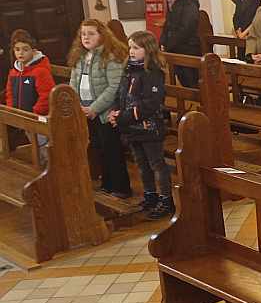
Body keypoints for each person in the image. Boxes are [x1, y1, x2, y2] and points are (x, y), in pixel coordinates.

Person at [109, 31, 173, 219]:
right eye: (130, 47)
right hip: (131, 128)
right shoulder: (128, 69)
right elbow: (120, 94)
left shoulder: (153, 73)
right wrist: (115, 110)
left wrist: (124, 117)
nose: (131, 51)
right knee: (142, 165)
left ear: (149, 49)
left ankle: (166, 199)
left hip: (148, 127)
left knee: (156, 164)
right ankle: (150, 195)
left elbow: (150, 104)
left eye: (136, 48)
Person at [69, 19, 131, 198]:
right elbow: (73, 82)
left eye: (91, 33)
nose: (86, 37)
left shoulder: (110, 56)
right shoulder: (80, 57)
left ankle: (120, 187)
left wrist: (94, 108)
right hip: (85, 110)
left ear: (102, 36)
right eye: (83, 34)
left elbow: (114, 87)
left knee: (112, 149)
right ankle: (107, 183)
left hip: (105, 112)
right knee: (98, 148)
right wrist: (77, 105)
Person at [5, 30, 54, 165]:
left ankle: (51, 168)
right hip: (23, 116)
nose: (20, 53)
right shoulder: (14, 72)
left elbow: (47, 95)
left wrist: (34, 112)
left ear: (33, 50)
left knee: (43, 143)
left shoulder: (40, 71)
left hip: (37, 117)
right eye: (17, 49)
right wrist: (12, 110)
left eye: (25, 49)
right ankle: (42, 168)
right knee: (34, 143)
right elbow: (9, 92)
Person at [160, 0, 201, 87]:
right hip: (175, 47)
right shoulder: (171, 2)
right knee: (182, 78)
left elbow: (186, 28)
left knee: (191, 80)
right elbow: (167, 24)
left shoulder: (190, 3)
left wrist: (169, 44)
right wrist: (163, 41)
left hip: (188, 47)